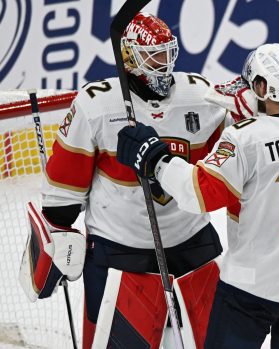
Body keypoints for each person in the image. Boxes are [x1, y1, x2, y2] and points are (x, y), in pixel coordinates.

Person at [116, 43, 279, 349]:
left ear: (260, 87)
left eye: (250, 83)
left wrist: (156, 160)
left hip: (253, 287)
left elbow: (198, 193)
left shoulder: (245, 137)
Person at [18, 12, 235, 348]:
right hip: (119, 252)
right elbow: (62, 193)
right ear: (131, 57)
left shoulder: (201, 97)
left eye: (168, 53)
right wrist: (58, 235)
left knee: (213, 341)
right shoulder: (97, 105)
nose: (164, 64)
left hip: (192, 244)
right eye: (154, 56)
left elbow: (236, 158)